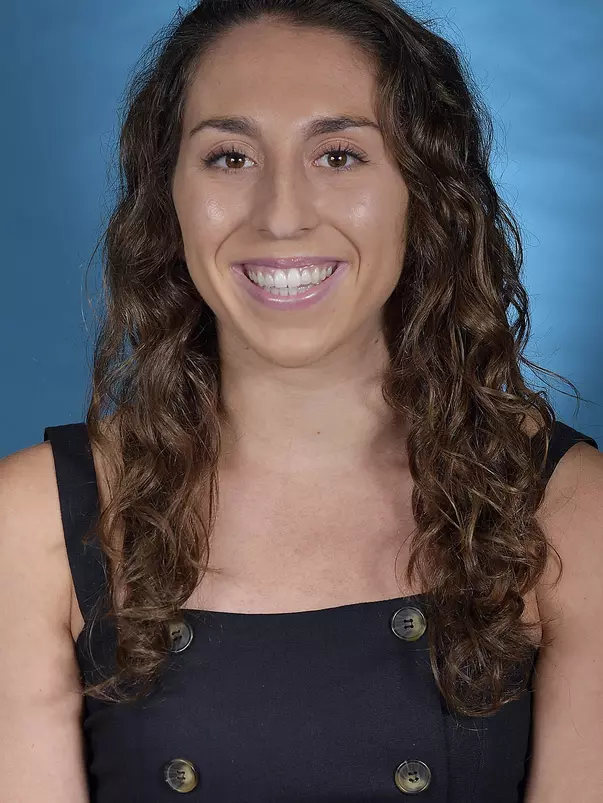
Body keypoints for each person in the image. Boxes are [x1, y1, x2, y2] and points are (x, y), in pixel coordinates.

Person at [1, 1, 602, 800]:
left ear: (425, 192)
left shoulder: (567, 509)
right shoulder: (31, 521)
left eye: (340, 155)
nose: (280, 215)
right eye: (228, 158)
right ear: (166, 192)